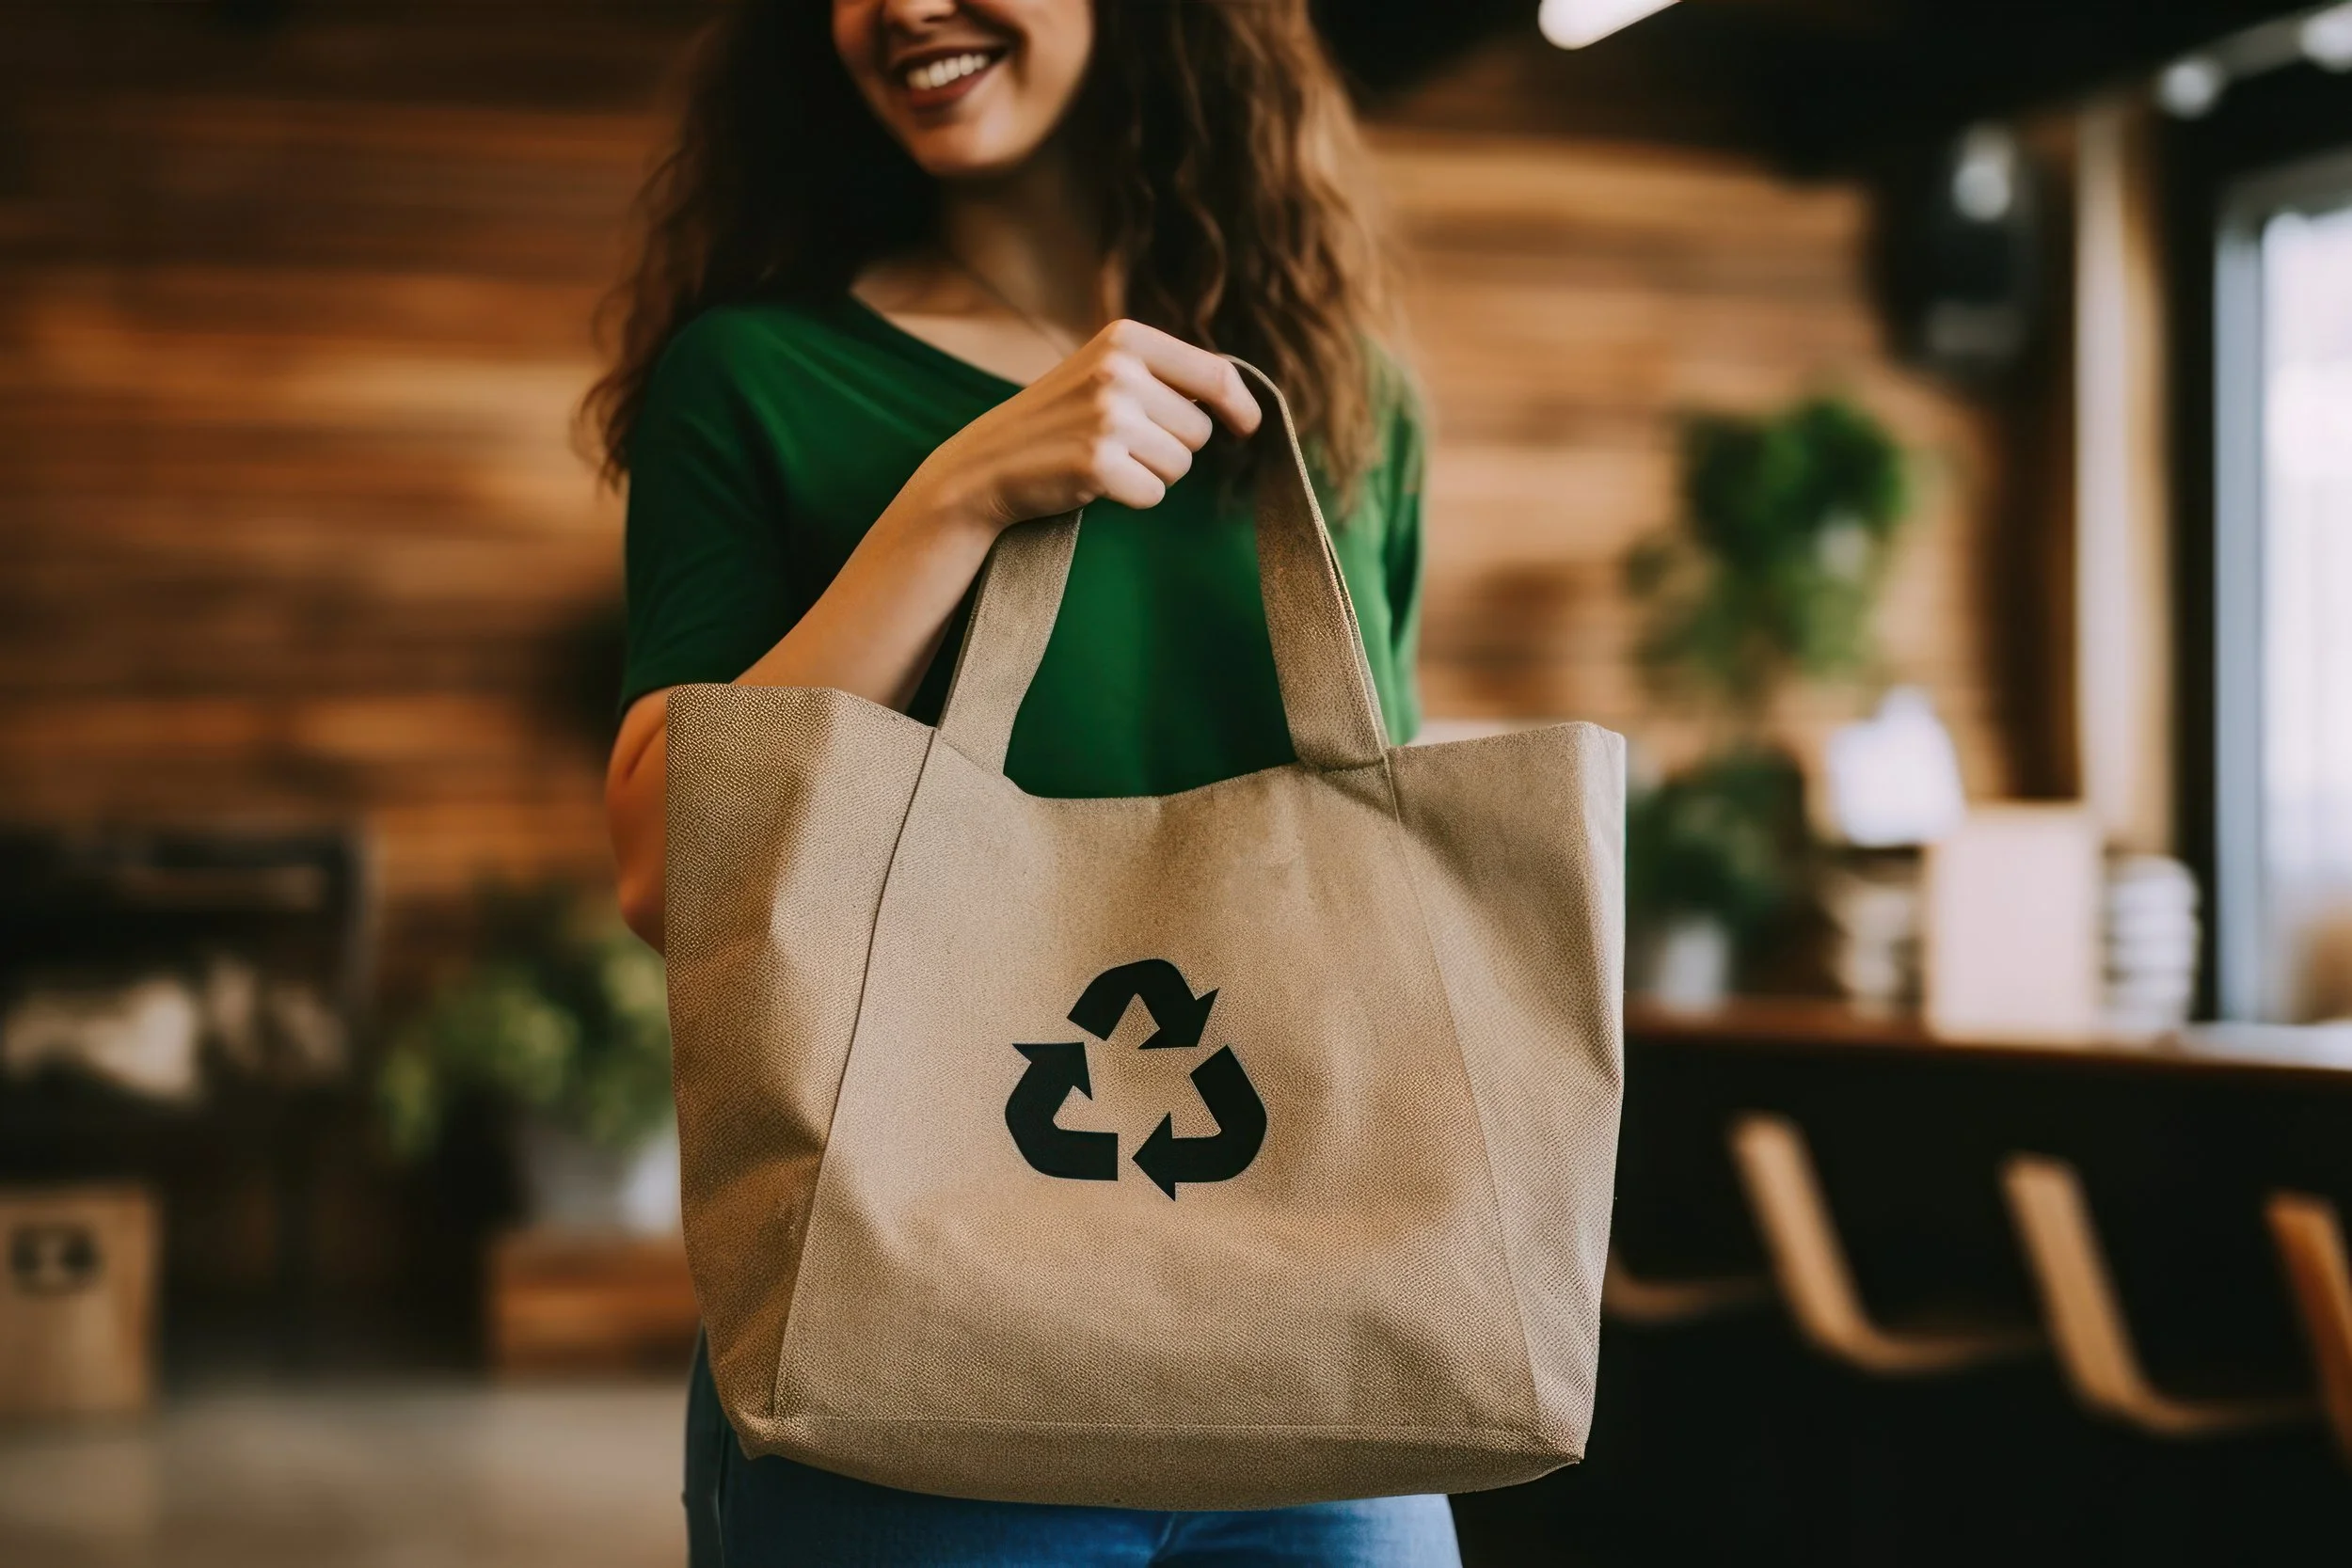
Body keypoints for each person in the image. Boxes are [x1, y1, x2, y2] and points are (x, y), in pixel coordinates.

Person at [590, 1, 1446, 1562]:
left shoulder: (1346, 406)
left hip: (1323, 1346)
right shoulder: (755, 379)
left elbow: (1365, 857)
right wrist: (964, 489)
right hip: (905, 1345)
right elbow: (666, 864)